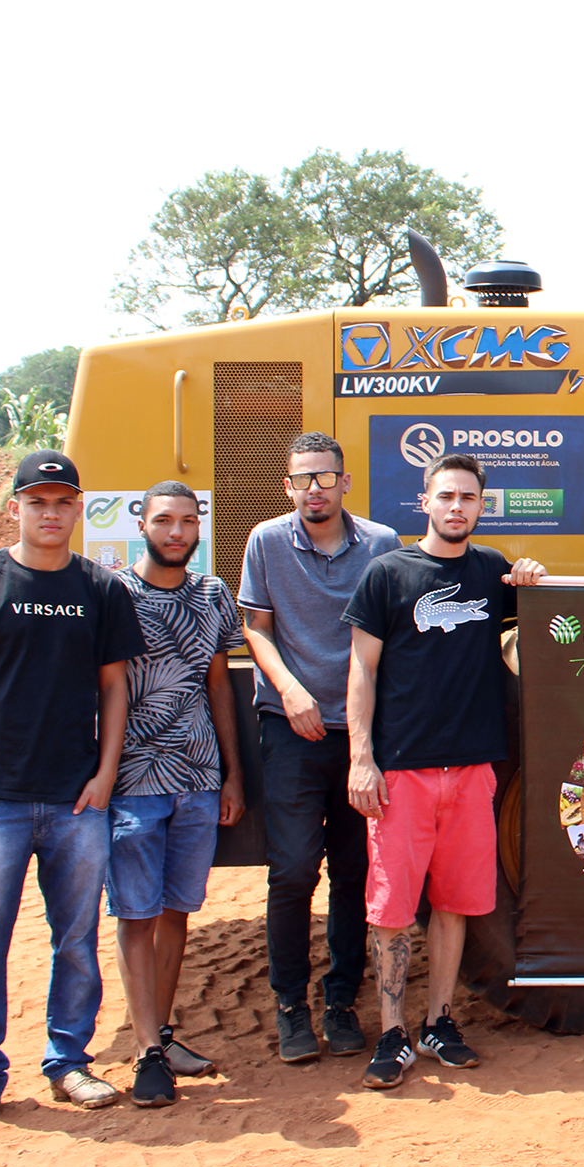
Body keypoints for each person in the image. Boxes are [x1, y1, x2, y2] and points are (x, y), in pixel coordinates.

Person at [0, 450, 146, 1137]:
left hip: (76, 798)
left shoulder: (101, 589)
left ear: (78, 509)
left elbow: (115, 687)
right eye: (38, 501)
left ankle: (69, 1059)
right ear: (15, 507)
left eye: (62, 502)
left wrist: (105, 773)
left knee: (76, 938)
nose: (51, 513)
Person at [344, 452, 545, 1090]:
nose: (457, 507)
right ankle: (393, 1031)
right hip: (402, 772)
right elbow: (362, 671)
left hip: (473, 771)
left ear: (481, 507)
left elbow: (535, 619)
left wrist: (534, 575)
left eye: (469, 498)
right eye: (446, 496)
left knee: (456, 904)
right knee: (393, 909)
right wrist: (361, 757)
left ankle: (439, 1022)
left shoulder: (491, 571)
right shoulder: (386, 575)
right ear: (423, 503)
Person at [239, 430, 399, 1063]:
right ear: (288, 487)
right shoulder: (267, 541)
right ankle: (289, 1008)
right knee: (294, 869)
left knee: (355, 872)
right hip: (292, 728)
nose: (313, 489)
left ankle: (340, 1003)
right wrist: (291, 690)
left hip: (361, 736)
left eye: (324, 478)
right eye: (302, 479)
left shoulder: (383, 545)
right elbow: (257, 627)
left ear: (345, 482)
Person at [107, 481, 247, 1107]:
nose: (176, 532)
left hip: (197, 782)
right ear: (141, 523)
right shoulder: (112, 594)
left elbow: (220, 688)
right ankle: (145, 1054)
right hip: (133, 782)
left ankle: (161, 1034)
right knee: (135, 916)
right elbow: (99, 690)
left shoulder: (213, 595)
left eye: (188, 521)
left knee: (176, 912)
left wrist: (232, 775)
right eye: (164, 520)